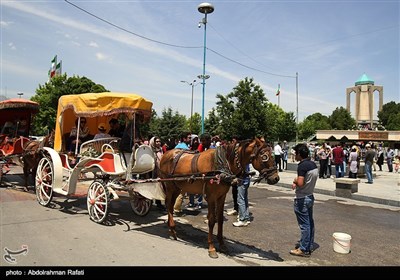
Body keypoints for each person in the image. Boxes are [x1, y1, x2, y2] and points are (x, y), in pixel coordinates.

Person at [290, 143, 318, 257]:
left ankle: (304, 249)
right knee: (309, 223)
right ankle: (308, 245)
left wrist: (295, 181)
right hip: (310, 196)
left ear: (299, 154)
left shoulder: (302, 166)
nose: (295, 155)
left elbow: (301, 183)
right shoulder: (312, 164)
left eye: (296, 153)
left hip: (302, 198)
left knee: (304, 225)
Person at [173, 132, 192, 215]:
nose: (190, 139)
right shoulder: (185, 148)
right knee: (182, 191)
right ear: (184, 139)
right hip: (182, 172)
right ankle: (176, 209)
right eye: (189, 138)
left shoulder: (177, 146)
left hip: (177, 171)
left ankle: (176, 208)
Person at [149, 136, 166, 211]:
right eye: (157, 142)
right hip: (151, 171)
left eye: (159, 141)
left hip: (160, 171)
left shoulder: (161, 150)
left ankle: (159, 203)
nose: (159, 143)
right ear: (153, 142)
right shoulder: (150, 150)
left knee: (161, 187)